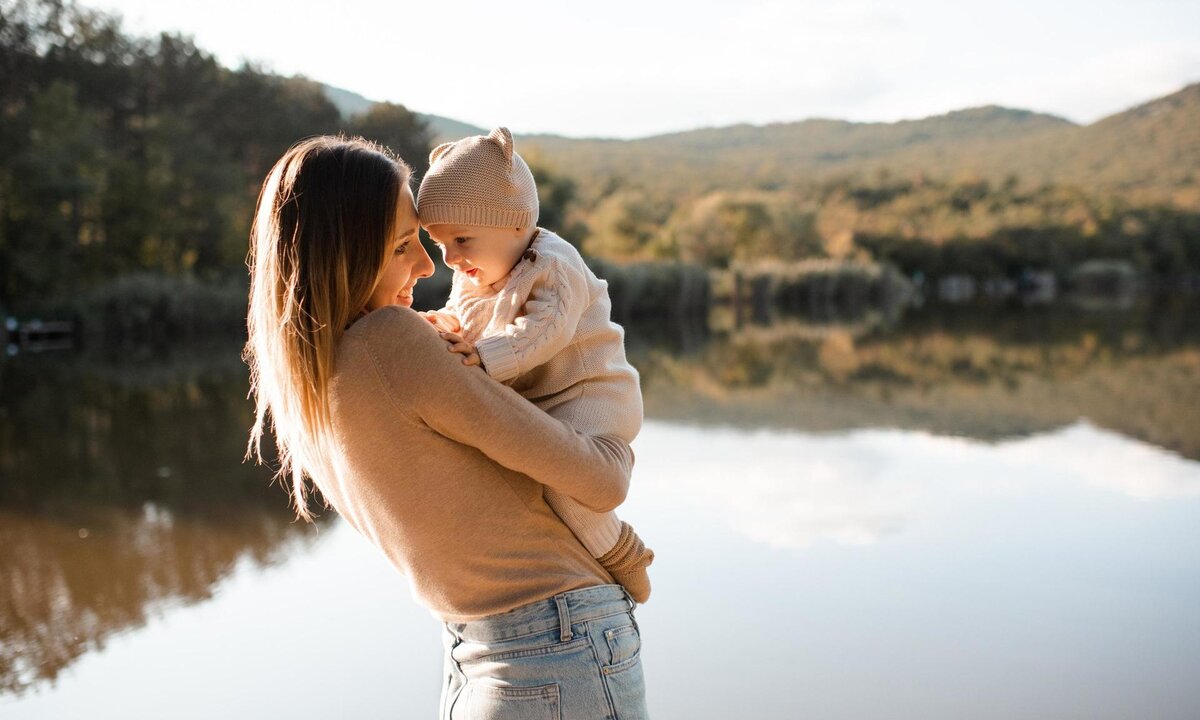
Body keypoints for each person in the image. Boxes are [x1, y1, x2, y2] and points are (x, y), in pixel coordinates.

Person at [244, 136, 650, 719]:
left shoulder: (304, 383)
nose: (428, 265)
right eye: (404, 245)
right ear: (347, 251)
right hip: (556, 643)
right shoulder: (391, 341)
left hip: (477, 650)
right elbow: (603, 480)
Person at [416, 127, 655, 602]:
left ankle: (622, 551)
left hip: (591, 395)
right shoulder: (477, 272)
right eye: (440, 244)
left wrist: (485, 356)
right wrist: (441, 328)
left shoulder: (553, 265)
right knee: (526, 472)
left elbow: (546, 332)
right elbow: (468, 321)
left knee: (564, 482)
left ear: (515, 223)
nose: (450, 258)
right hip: (543, 402)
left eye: (462, 238)